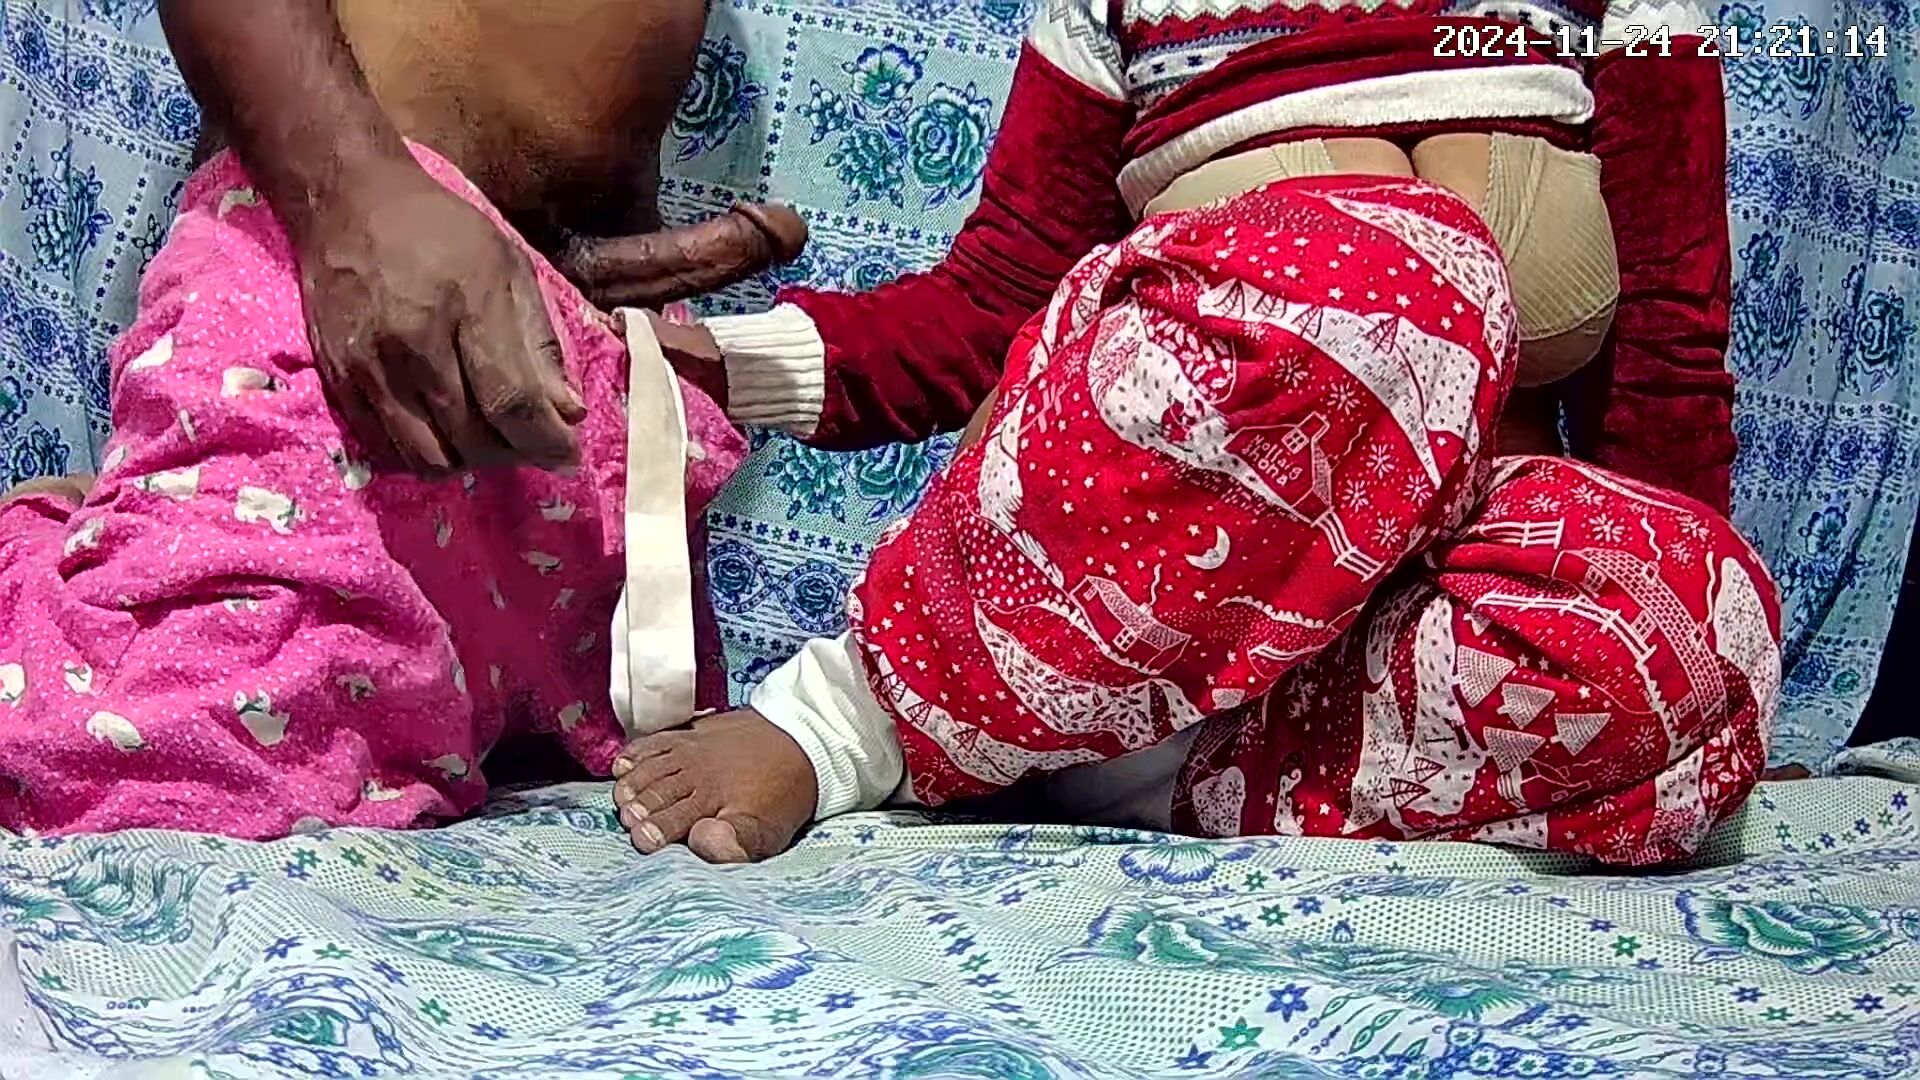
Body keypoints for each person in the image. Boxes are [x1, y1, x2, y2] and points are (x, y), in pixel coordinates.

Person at [600, 1, 1785, 866]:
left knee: (1708, 613)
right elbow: (987, 307)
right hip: (1153, 571)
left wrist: (1664, 632)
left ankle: (1140, 767)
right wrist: (722, 363)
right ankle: (852, 716)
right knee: (1401, 272)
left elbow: (1669, 350)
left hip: (1419, 604)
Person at [0, 1, 807, 837]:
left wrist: (583, 293)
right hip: (349, 302)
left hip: (558, 383)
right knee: (179, 764)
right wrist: (356, 195)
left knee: (575, 756)